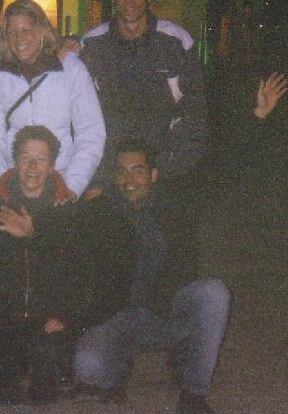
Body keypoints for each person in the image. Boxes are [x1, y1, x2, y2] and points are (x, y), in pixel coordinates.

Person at [80, 0, 287, 195]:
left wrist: (165, 170)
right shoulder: (92, 45)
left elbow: (196, 117)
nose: (129, 0)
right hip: (111, 179)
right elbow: (83, 120)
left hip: (164, 178)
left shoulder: (175, 42)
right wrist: (98, 179)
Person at [72, 141, 231, 414]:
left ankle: (193, 394)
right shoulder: (102, 209)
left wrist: (257, 118)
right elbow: (61, 235)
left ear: (153, 175)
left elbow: (219, 171)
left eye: (138, 170)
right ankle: (117, 371)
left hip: (167, 312)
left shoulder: (176, 203)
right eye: (122, 172)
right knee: (88, 366)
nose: (129, 180)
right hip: (121, 318)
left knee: (214, 292)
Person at [0, 125, 83, 405]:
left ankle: (46, 365)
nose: (32, 167)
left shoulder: (66, 210)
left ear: (51, 166)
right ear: (15, 161)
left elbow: (76, 272)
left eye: (41, 159)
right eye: (26, 158)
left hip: (45, 319)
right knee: (3, 396)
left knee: (43, 397)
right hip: (3, 317)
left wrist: (65, 315)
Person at [0, 0, 105, 198]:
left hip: (61, 178)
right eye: (12, 33)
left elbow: (91, 132)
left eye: (26, 31)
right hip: (13, 183)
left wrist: (71, 186)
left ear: (41, 30)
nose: (19, 40)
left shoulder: (70, 69)